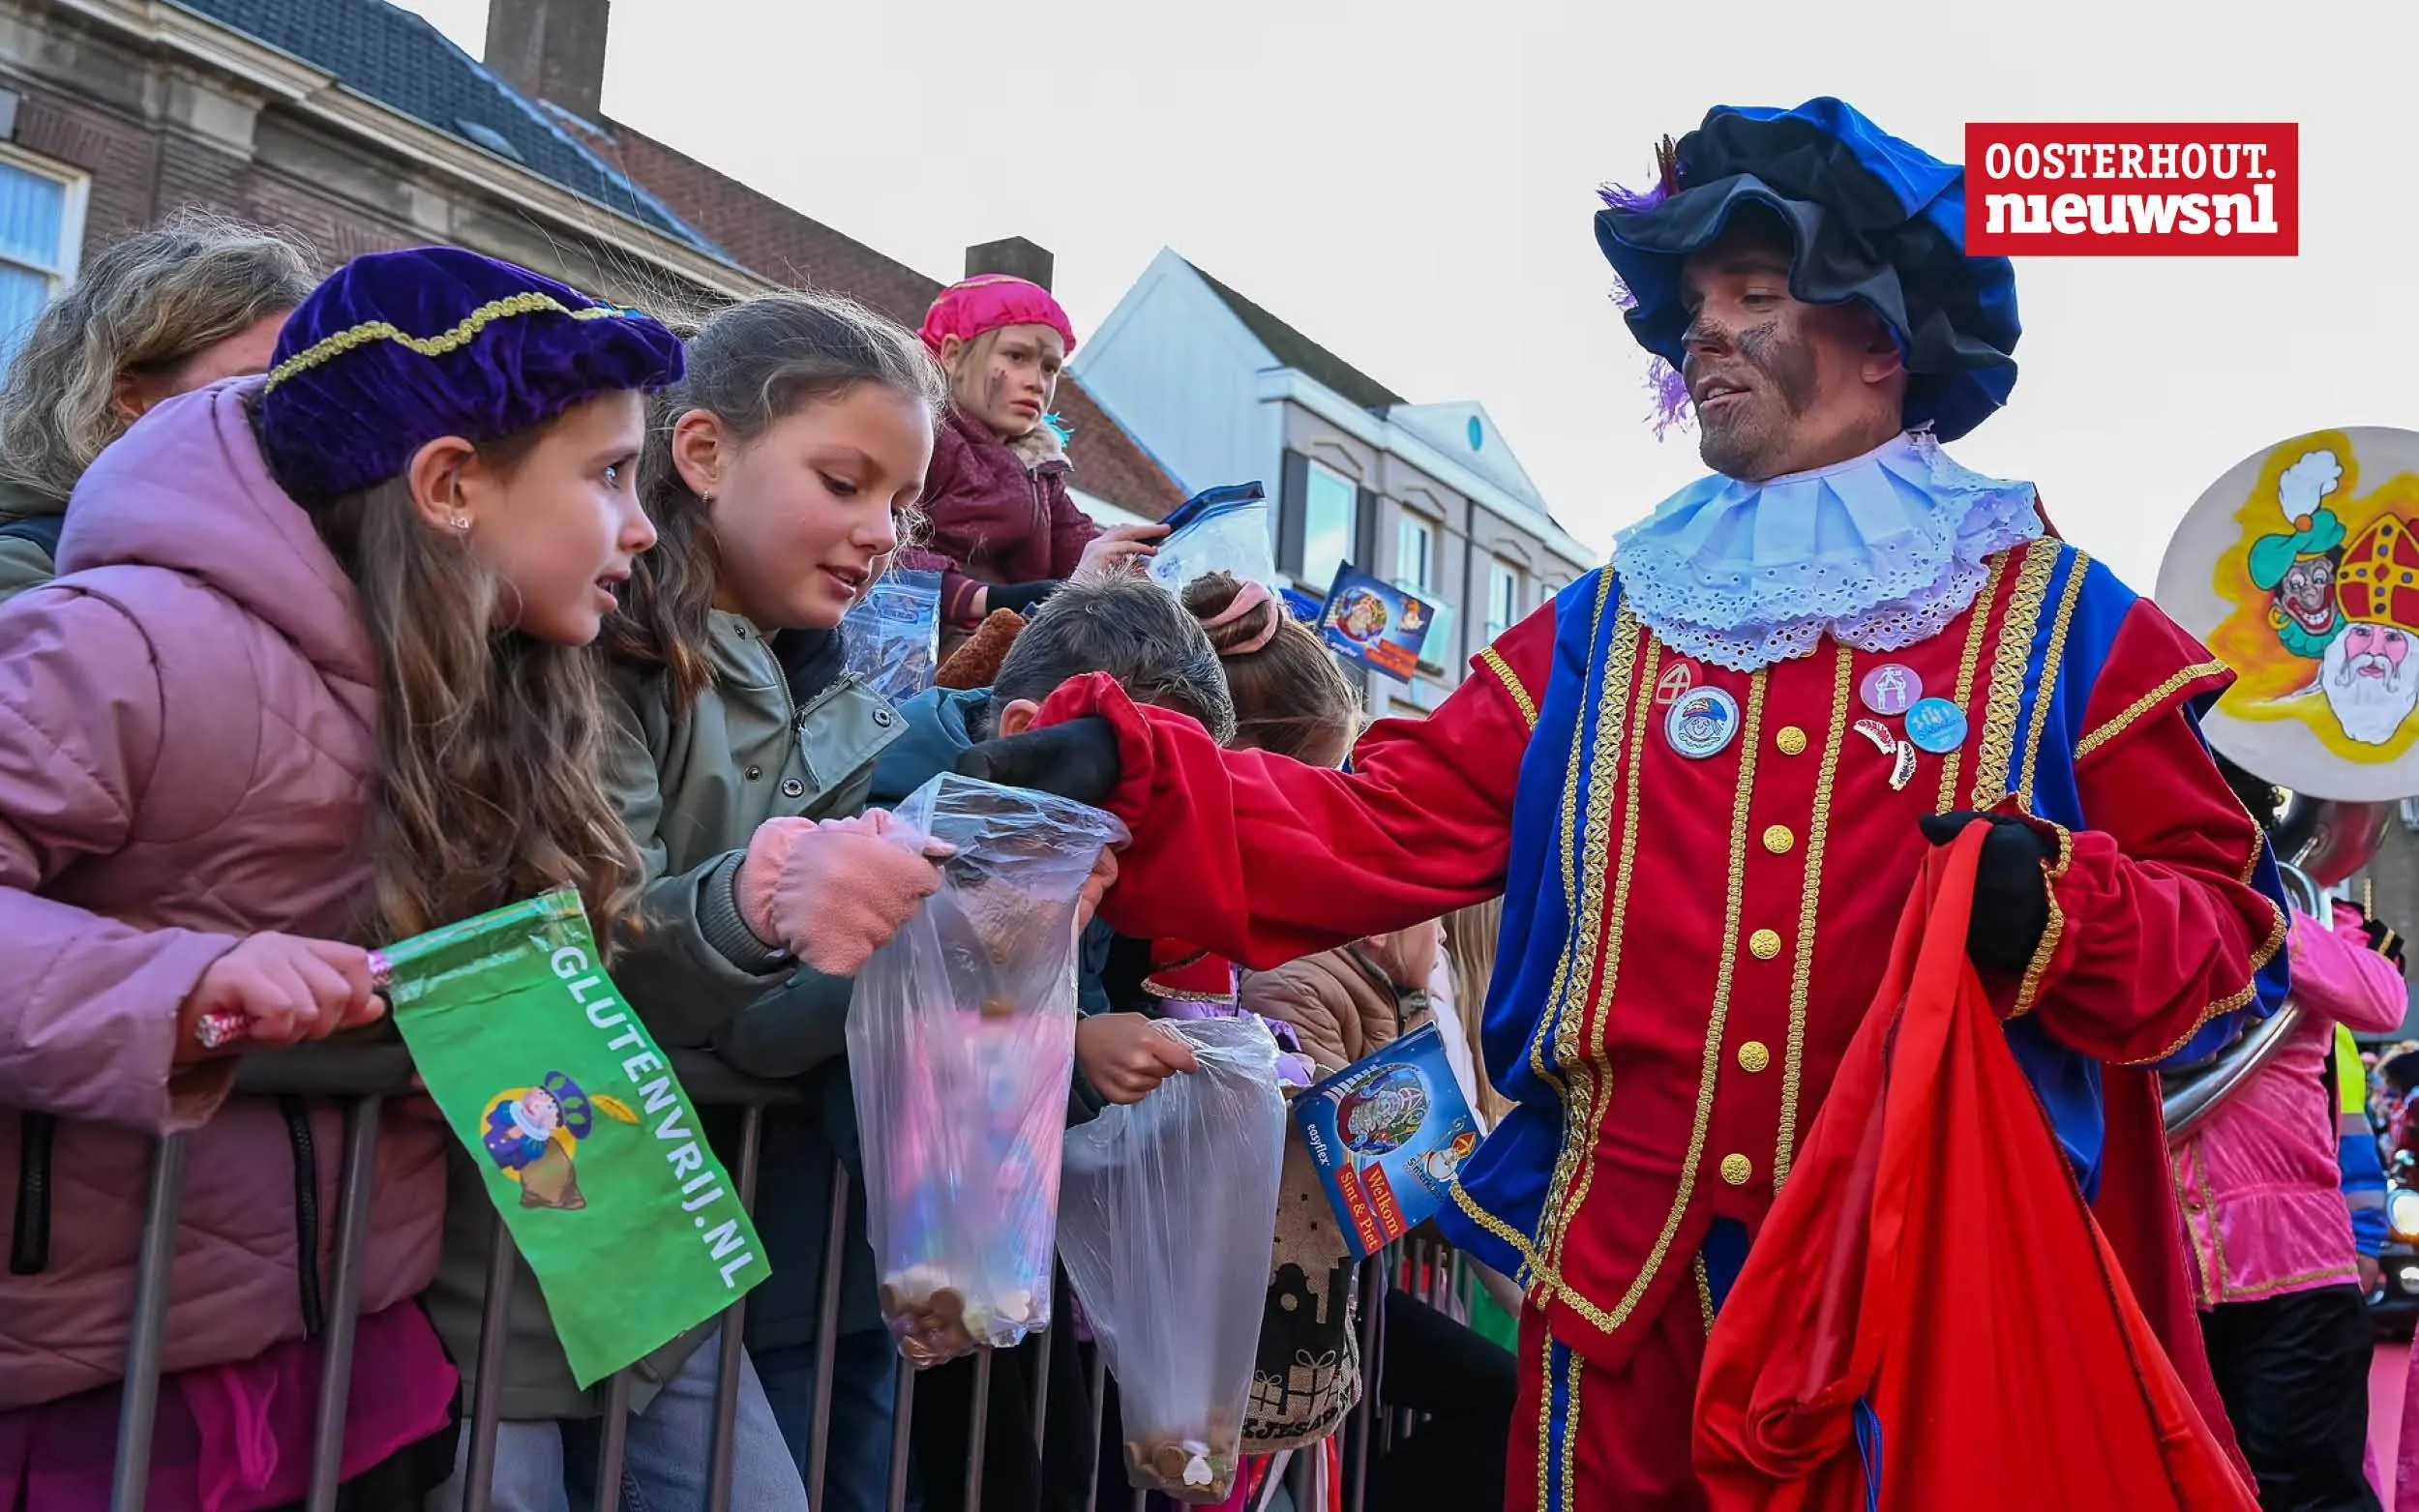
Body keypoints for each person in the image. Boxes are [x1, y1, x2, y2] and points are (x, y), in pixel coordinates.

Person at [963, 98, 2288, 1510]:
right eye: (1695, 305)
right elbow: (1387, 822)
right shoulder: (1614, 622)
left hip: (1909, 1296)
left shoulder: (2062, 620)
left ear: (1885, 337)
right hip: (1626, 1303)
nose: (1701, 333)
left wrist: (2063, 909)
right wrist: (1143, 768)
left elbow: (2226, 926)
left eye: (1756, 297)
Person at [0, 245, 680, 1511]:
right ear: (449, 483)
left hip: (361, 1366)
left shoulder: (500, 701)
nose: (643, 525)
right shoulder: (114, 644)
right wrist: (181, 982)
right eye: (608, 474)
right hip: (103, 1389)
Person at [583, 289, 952, 1512]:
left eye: (901, 503)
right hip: (584, 1187)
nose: (883, 531)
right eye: (844, 483)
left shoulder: (846, 704)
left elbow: (759, 1016)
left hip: (701, 1212)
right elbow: (590, 945)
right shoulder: (600, 648)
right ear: (700, 453)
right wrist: (767, 906)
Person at [868, 570, 1222, 1512]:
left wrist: (1086, 1038)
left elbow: (1074, 981)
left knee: (1049, 1470)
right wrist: (1073, 1045)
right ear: (1032, 733)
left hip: (986, 1225)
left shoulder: (1067, 817)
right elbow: (923, 1010)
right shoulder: (911, 805)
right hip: (894, 1235)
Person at [2179, 761, 2400, 1511]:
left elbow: (2382, 995)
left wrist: (2252, 912)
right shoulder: (2154, 916)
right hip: (2166, 1266)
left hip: (2296, 1272)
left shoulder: (2308, 912)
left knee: (2307, 1491)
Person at [0, 212, 314, 603]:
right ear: (129, 397)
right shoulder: (30, 576)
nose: (297, 417)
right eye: (257, 388)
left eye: (304, 391)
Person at [896, 275, 1164, 652]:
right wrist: (985, 598)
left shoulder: (1040, 465)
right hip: (921, 640)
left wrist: (1123, 552)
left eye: (1050, 368)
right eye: (1017, 356)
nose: (1037, 383)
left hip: (1019, 636)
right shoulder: (922, 437)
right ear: (953, 354)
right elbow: (886, 542)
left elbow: (1074, 542)